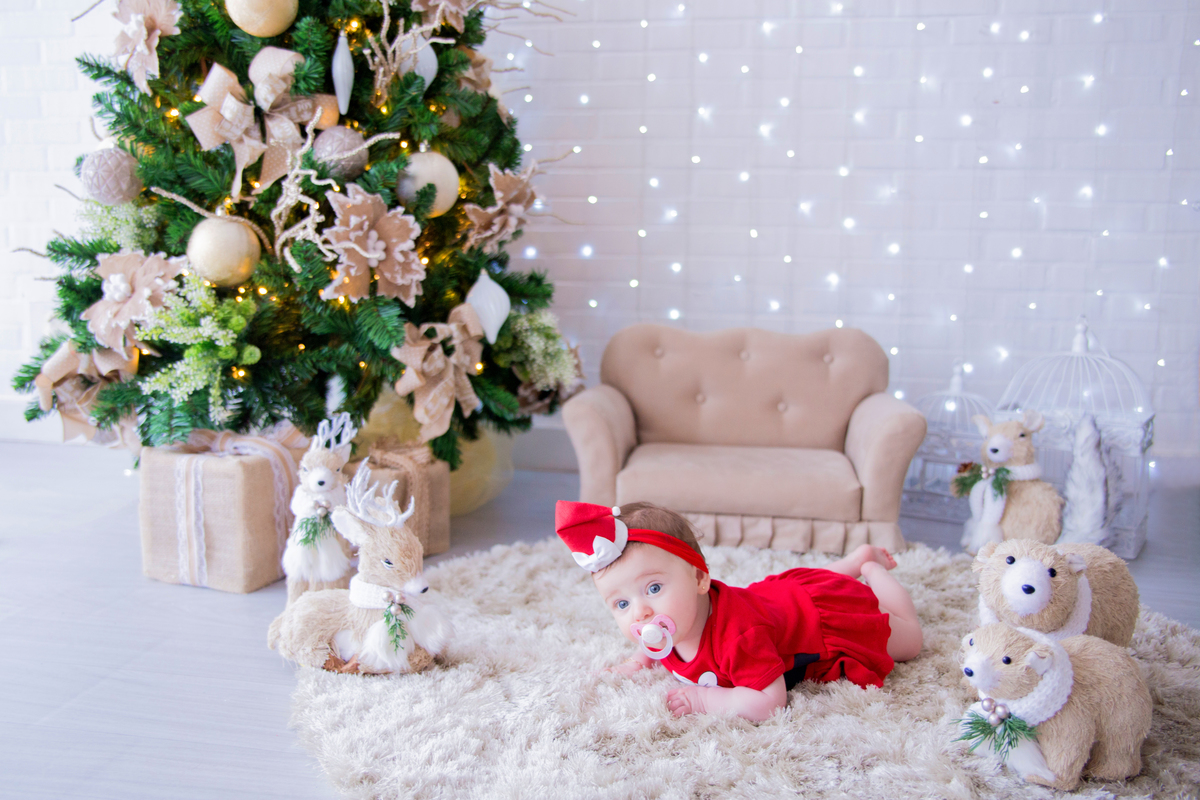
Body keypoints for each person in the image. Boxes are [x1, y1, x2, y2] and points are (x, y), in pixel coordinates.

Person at [555, 500, 923, 722]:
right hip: (780, 598)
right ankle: (850, 562)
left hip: (822, 618)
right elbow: (654, 641)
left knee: (910, 642)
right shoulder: (667, 622)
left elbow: (769, 701)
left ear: (700, 579)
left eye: (653, 588)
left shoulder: (739, 638)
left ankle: (871, 569)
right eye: (622, 604)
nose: (641, 613)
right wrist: (639, 661)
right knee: (809, 583)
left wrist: (704, 699)